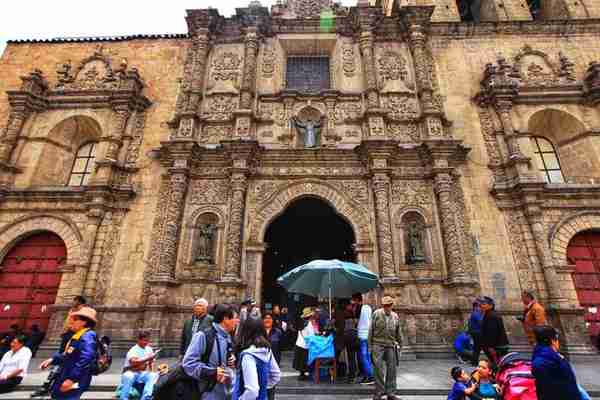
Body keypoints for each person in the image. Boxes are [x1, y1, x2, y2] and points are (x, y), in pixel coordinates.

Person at [31, 295, 87, 398]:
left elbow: (86, 358)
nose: (72, 302)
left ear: (79, 302)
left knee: (66, 362)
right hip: (68, 335)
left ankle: (50, 386)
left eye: (74, 301)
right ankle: (48, 386)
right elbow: (68, 323)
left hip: (73, 339)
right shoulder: (72, 310)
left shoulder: (83, 313)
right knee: (61, 360)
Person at [39, 306, 98, 400]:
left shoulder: (88, 336)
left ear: (84, 322)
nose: (71, 321)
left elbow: (86, 358)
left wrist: (72, 379)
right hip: (66, 374)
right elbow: (68, 354)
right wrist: (53, 359)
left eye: (75, 319)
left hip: (75, 378)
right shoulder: (78, 336)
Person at [183, 304, 239, 400]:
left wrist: (233, 360)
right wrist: (212, 372)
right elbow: (188, 363)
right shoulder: (203, 336)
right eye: (235, 318)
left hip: (226, 392)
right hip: (207, 392)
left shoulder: (228, 337)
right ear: (225, 319)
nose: (237, 321)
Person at [531, 325, 586, 400]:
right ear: (553, 341)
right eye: (557, 339)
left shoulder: (539, 355)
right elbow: (568, 383)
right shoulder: (553, 359)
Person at [232, 317, 281, 400]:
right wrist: (263, 387)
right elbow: (276, 375)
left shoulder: (248, 355)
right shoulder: (266, 350)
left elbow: (252, 390)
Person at [369, 296, 402, 400]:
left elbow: (398, 332)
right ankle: (379, 391)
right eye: (385, 306)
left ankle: (390, 392)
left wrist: (401, 345)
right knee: (378, 368)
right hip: (377, 344)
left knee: (392, 369)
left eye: (388, 305)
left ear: (392, 306)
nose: (386, 307)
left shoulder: (395, 316)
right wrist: (370, 346)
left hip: (390, 344)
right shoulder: (376, 314)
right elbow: (371, 330)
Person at [119, 331, 158, 400]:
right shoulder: (133, 350)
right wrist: (148, 358)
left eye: (147, 341)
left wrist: (151, 369)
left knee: (153, 375)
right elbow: (134, 362)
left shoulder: (149, 349)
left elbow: (151, 362)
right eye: (144, 340)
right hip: (130, 372)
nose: (146, 342)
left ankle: (146, 397)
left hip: (141, 373)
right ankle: (124, 398)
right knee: (129, 376)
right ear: (139, 340)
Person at [479, 296, 509, 369]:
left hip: (496, 346)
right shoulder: (489, 314)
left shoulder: (492, 316)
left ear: (490, 305)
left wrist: (490, 347)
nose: (481, 305)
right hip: (494, 346)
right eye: (481, 304)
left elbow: (492, 333)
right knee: (497, 363)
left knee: (498, 364)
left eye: (484, 304)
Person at [352, 293, 374, 385]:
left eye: (353, 300)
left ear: (357, 300)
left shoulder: (358, 308)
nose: (352, 302)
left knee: (363, 357)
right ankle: (368, 374)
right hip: (368, 334)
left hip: (361, 334)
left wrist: (353, 313)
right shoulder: (368, 307)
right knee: (367, 356)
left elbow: (356, 322)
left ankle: (370, 376)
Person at [293, 307, 318, 381]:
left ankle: (301, 374)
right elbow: (311, 335)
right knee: (304, 361)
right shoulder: (309, 323)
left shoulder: (301, 322)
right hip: (305, 345)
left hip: (299, 344)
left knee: (300, 361)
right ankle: (303, 375)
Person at [343, 301, 360, 384]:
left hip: (349, 337)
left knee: (351, 358)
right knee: (353, 357)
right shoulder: (355, 319)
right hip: (355, 336)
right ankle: (354, 374)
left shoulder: (346, 319)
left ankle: (352, 376)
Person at [467, 300, 483, 366]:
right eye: (479, 306)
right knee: (477, 347)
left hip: (475, 332)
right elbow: (480, 321)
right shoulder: (476, 313)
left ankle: (474, 362)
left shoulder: (474, 313)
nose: (480, 308)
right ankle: (474, 362)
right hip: (477, 332)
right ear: (476, 307)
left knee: (477, 348)